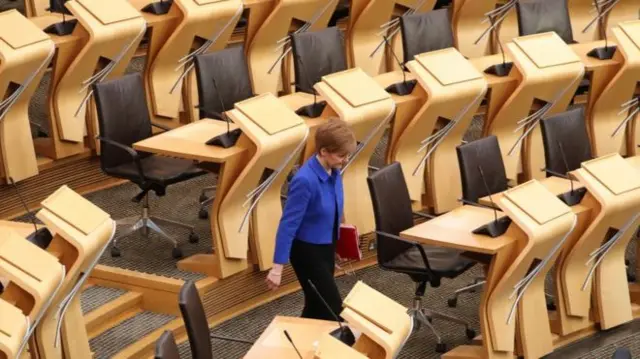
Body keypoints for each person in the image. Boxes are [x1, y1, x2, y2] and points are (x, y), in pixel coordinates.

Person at [265, 118, 356, 320]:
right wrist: (277, 267)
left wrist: (340, 240)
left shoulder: (335, 171)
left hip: (326, 245)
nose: (345, 159)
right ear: (323, 151)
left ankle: (297, 347)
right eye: (341, 155)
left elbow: (336, 205)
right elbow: (288, 224)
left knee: (317, 307)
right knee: (332, 308)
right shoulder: (304, 181)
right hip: (307, 251)